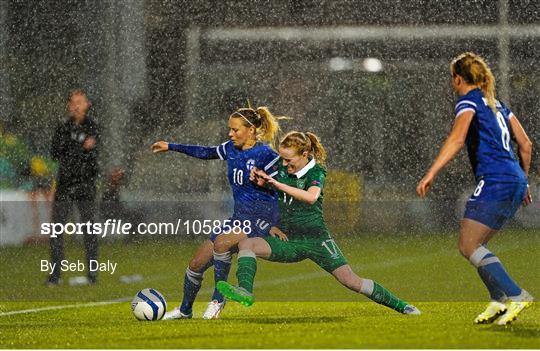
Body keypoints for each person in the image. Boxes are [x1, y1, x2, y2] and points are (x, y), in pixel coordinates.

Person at [217, 131, 420, 315]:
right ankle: (244, 290)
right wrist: (261, 183)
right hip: (288, 239)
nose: (284, 164)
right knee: (246, 243)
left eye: (289, 160)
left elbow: (311, 197)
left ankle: (402, 306)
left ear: (305, 154)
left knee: (350, 280)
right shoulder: (281, 166)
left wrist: (275, 184)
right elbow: (274, 194)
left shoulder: (317, 172)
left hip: (316, 239)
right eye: (283, 159)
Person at [416, 52, 533, 325]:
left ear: (458, 78)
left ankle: (517, 295)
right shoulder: (497, 104)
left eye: (452, 79)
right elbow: (525, 144)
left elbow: (457, 139)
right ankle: (498, 300)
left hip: (495, 179)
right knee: (476, 245)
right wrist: (523, 180)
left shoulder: (468, 100)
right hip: (513, 178)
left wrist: (431, 173)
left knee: (468, 244)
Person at [151, 106, 285, 319]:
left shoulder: (266, 154)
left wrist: (275, 219)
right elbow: (206, 152)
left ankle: (217, 301)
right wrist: (170, 146)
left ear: (250, 130)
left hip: (260, 219)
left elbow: (283, 187)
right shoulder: (231, 149)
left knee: (222, 243)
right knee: (196, 264)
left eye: (235, 130)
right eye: (230, 130)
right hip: (239, 218)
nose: (230, 134)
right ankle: (185, 310)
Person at [48, 89, 100, 285]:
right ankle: (55, 276)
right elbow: (55, 153)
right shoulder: (62, 127)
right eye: (74, 102)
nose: (77, 105)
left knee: (89, 230)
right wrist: (80, 146)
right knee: (57, 230)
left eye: (81, 101)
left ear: (87, 104)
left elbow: (92, 155)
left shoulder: (93, 127)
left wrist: (73, 148)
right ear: (69, 106)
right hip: (65, 184)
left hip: (86, 183)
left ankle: (92, 275)